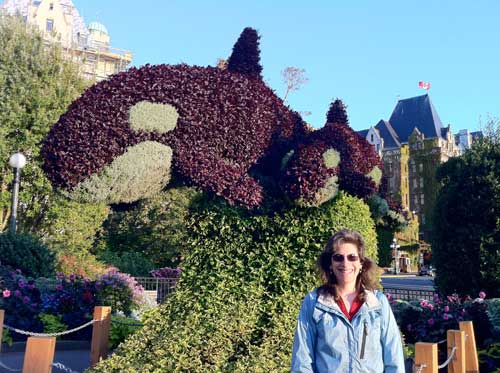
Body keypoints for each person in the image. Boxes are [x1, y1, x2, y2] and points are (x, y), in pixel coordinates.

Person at [291, 229, 405, 372]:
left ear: (361, 263)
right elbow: (302, 361)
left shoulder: (377, 303)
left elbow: (394, 359)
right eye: (338, 257)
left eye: (352, 257)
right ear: (330, 264)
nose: (345, 263)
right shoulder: (315, 302)